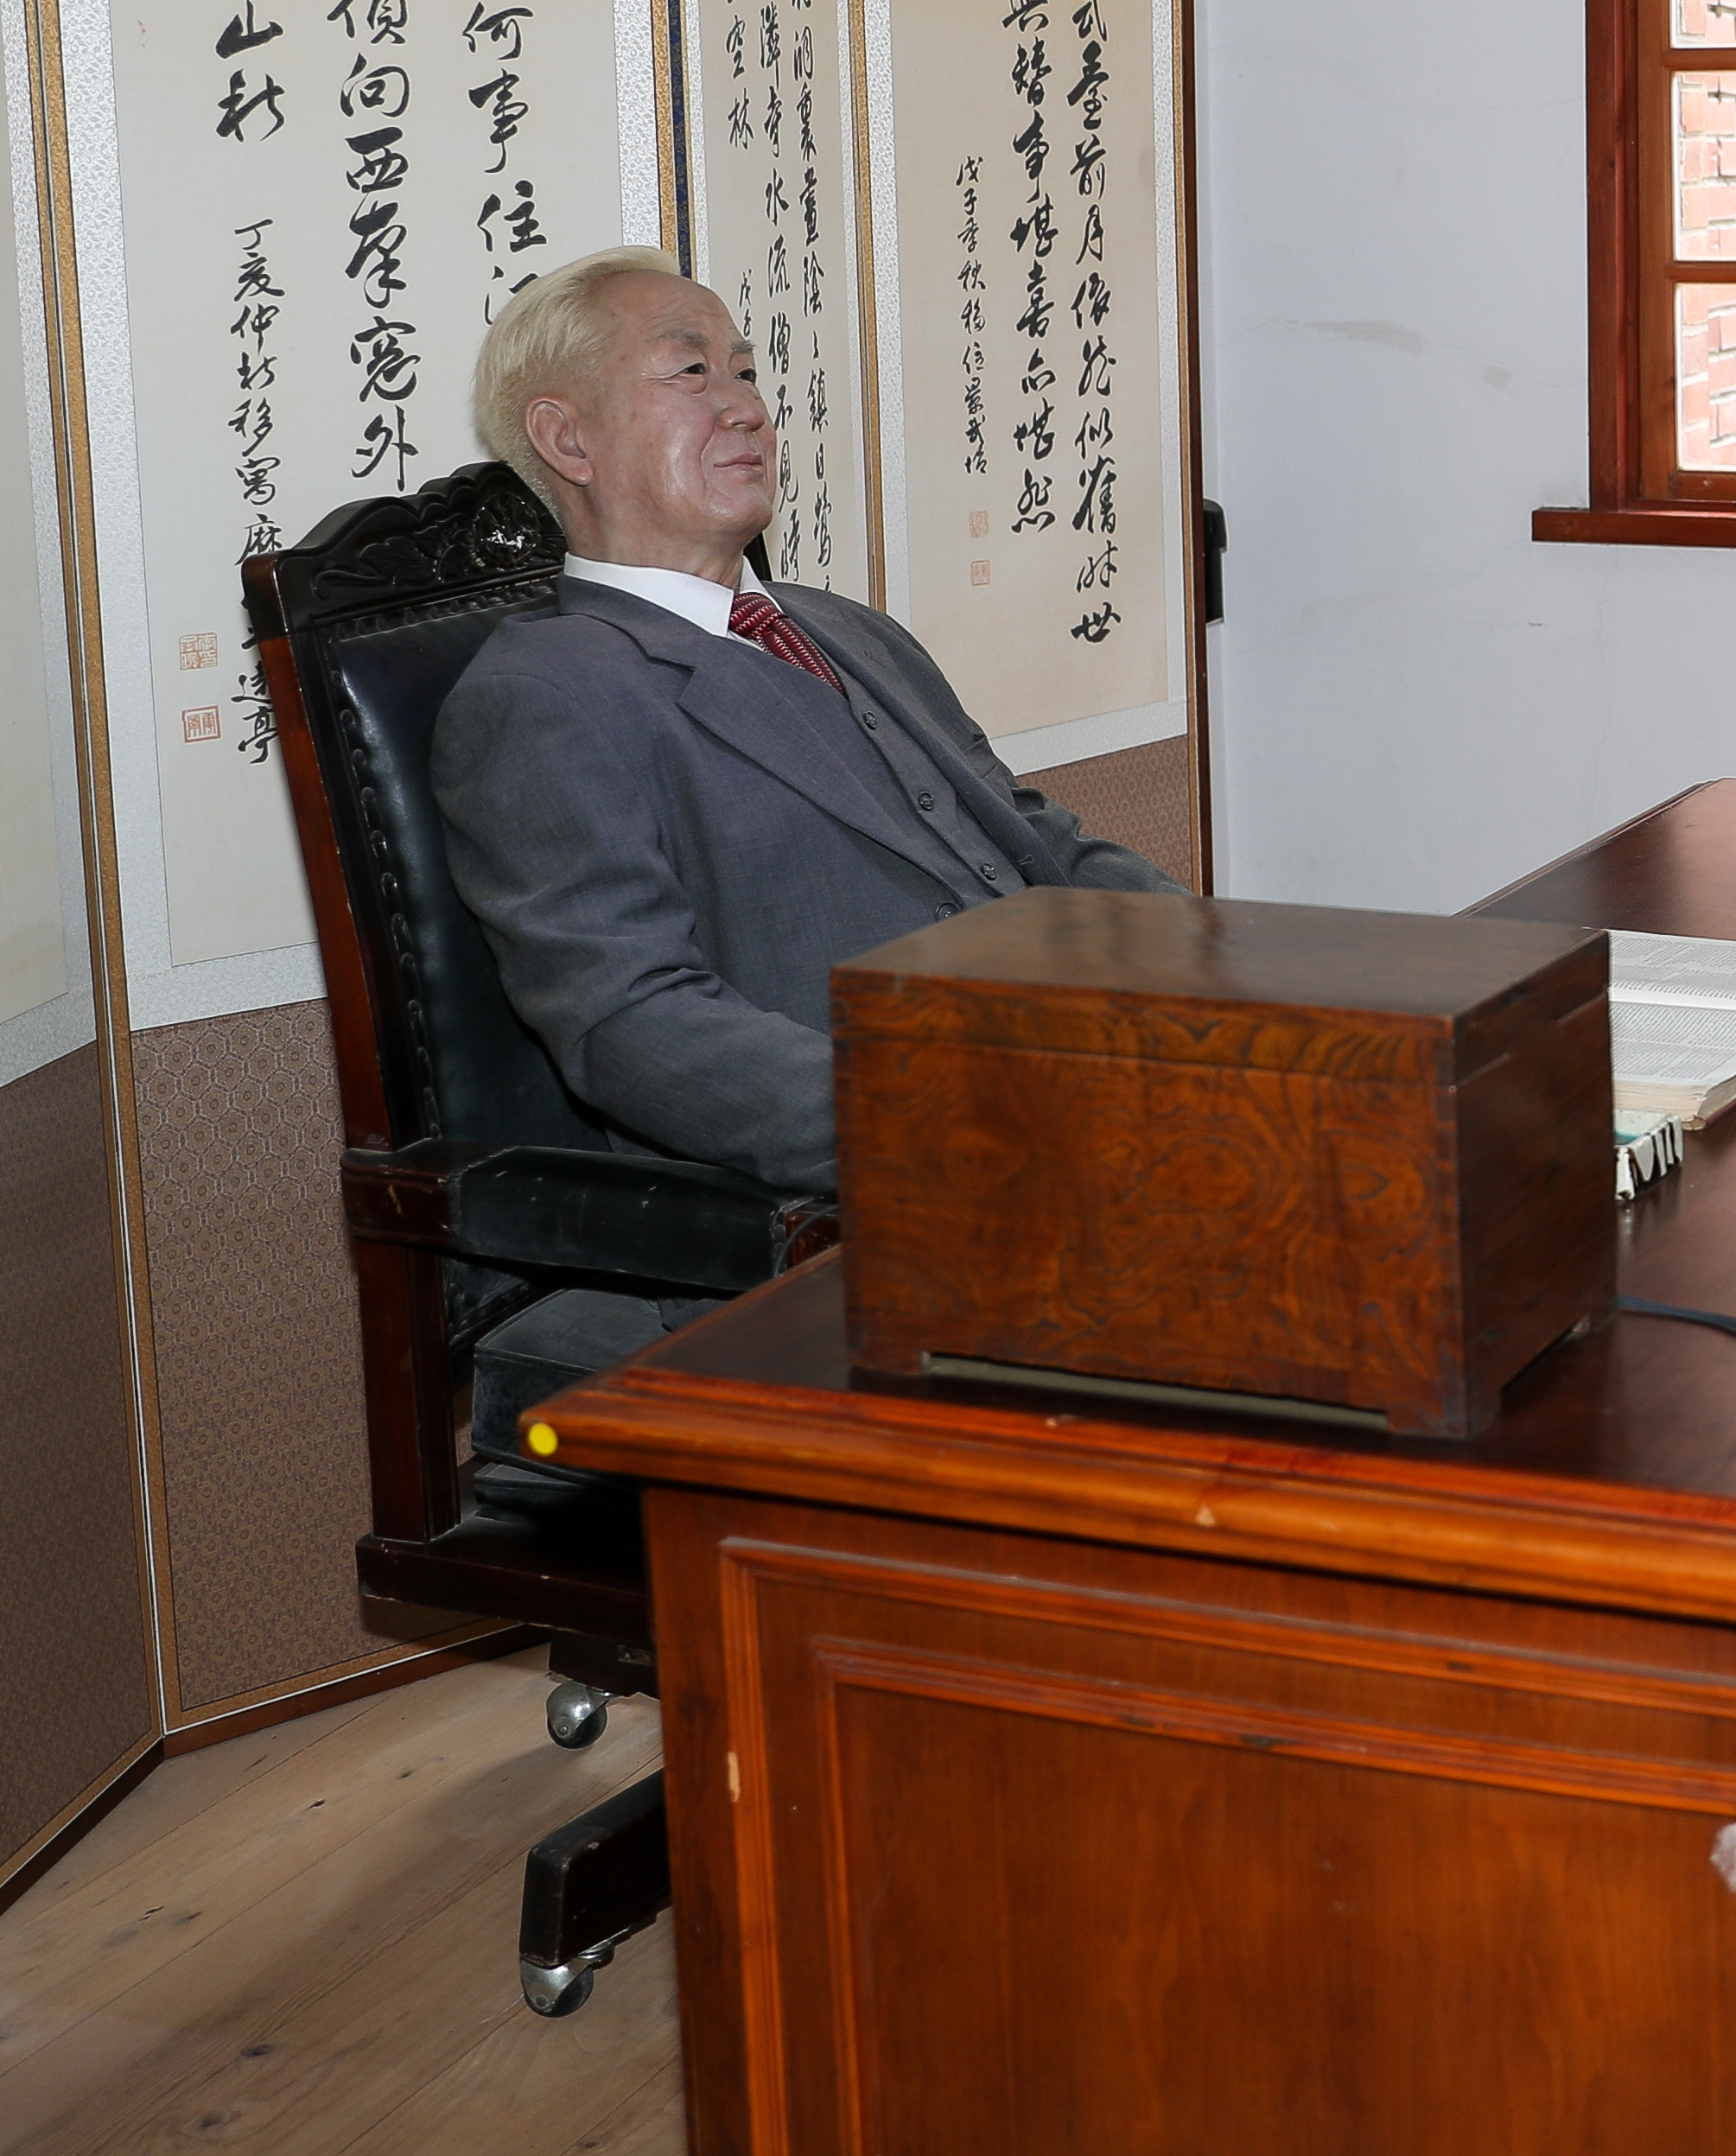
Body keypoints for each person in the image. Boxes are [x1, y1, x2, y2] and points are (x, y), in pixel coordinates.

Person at [432, 248, 1180, 1447]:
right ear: (568, 440)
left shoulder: (846, 631)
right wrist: (940, 1126)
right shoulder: (546, 694)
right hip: (875, 1208)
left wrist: (1224, 966)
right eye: (691, 375)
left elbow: (1032, 839)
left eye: (746, 371)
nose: (744, 406)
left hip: (1084, 1106)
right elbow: (630, 1019)